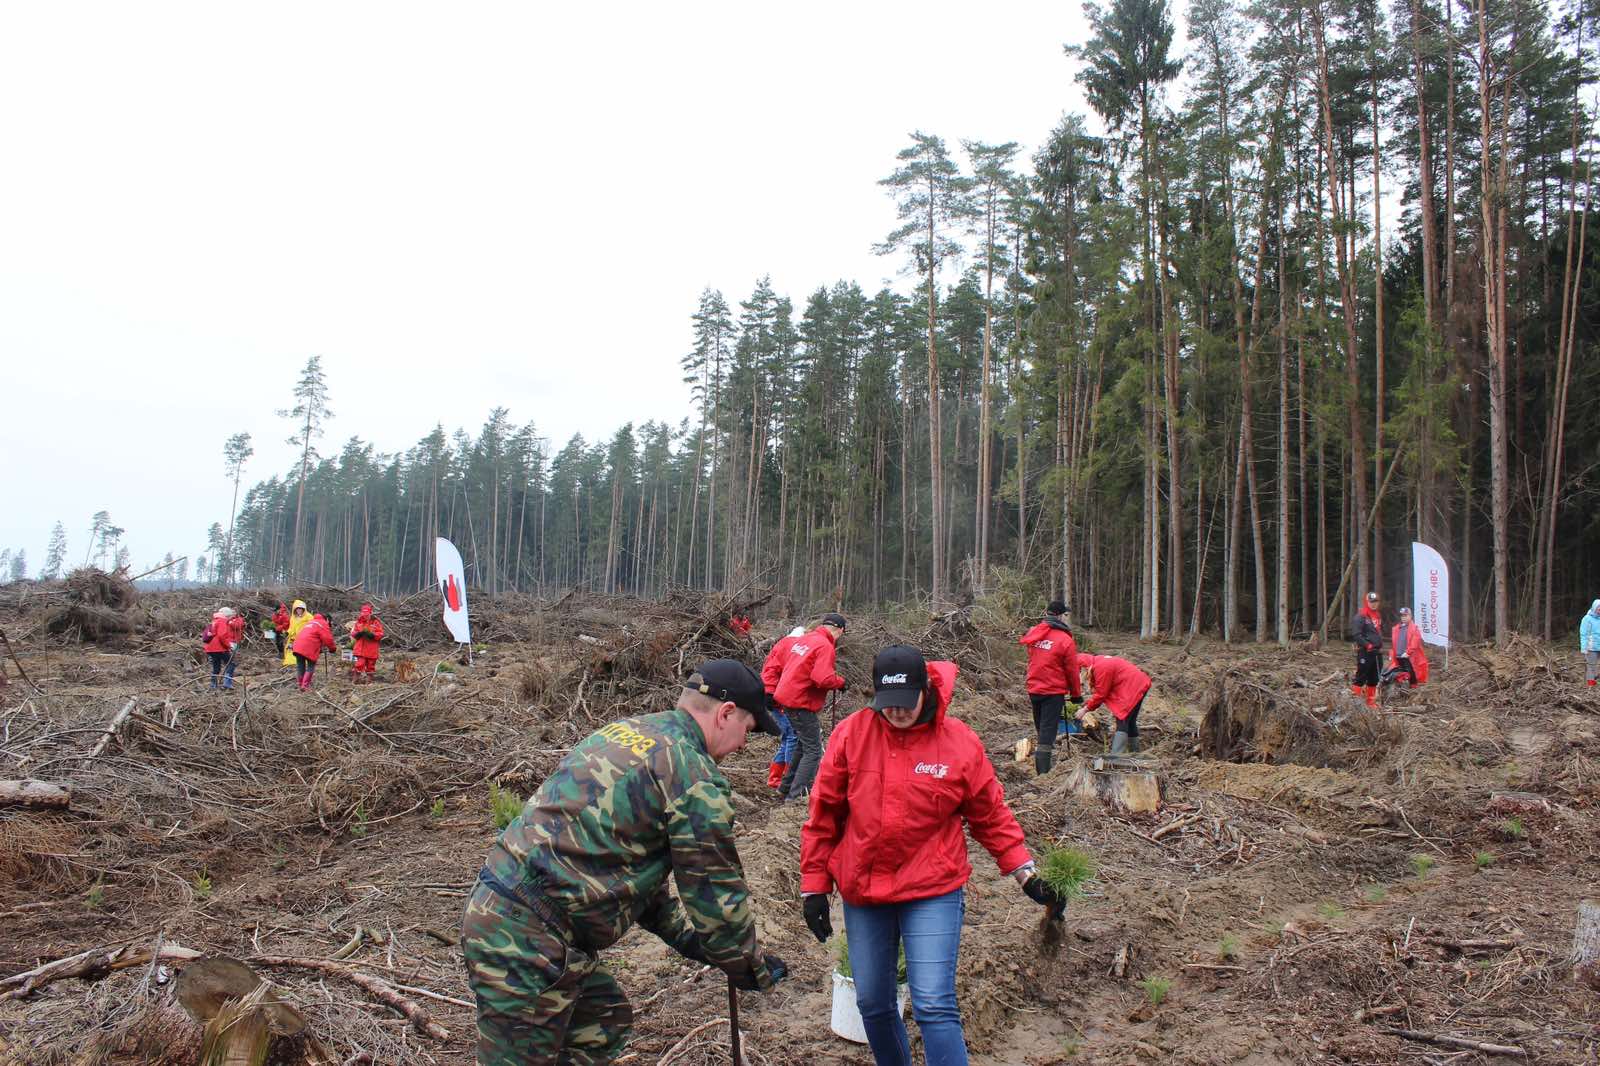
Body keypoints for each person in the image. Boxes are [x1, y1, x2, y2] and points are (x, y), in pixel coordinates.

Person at [462, 660, 789, 1065]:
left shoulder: (630, 731)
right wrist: (746, 964)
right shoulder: (692, 776)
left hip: (510, 914)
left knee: (602, 1021)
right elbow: (713, 892)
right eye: (749, 730)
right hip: (525, 939)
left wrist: (699, 946)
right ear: (725, 714)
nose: (742, 744)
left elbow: (635, 877)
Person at [799, 644, 1070, 1066]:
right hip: (864, 888)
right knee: (872, 1003)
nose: (898, 713)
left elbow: (990, 814)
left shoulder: (958, 742)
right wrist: (814, 886)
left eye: (906, 703)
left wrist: (1026, 874)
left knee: (933, 1003)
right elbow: (824, 815)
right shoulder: (852, 734)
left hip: (932, 887)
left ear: (926, 689)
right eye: (888, 705)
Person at [773, 612, 848, 802]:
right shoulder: (825, 645)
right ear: (840, 630)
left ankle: (785, 788)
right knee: (813, 750)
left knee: (802, 744)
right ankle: (796, 796)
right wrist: (840, 682)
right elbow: (822, 678)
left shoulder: (807, 639)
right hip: (800, 702)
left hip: (787, 697)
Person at [1018, 599, 1083, 775]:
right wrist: (1076, 695)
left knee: (1041, 727)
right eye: (1065, 615)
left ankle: (1042, 762)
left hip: (1034, 688)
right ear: (1061, 615)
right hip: (1052, 691)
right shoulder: (1065, 639)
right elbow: (1071, 670)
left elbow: (1033, 658)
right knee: (1048, 731)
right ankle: (1044, 774)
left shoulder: (1034, 633)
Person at [759, 625, 806, 789]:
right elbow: (777, 671)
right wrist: (771, 693)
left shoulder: (785, 643)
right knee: (792, 735)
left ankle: (775, 778)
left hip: (773, 694)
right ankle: (788, 778)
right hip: (776, 697)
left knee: (788, 737)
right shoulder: (792, 645)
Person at [1075, 654, 1152, 755]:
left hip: (1133, 686)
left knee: (1122, 719)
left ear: (1084, 667)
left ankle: (1116, 756)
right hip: (1138, 683)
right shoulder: (1098, 661)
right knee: (1130, 721)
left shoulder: (1101, 668)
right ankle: (1135, 753)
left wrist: (1085, 709)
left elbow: (1101, 694)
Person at [1350, 591, 1383, 708]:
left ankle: (1371, 702)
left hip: (1377, 652)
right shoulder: (1360, 616)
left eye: (1375, 602)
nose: (1373, 604)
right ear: (1366, 602)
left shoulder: (1377, 615)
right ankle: (1354, 702)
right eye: (1371, 602)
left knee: (1374, 677)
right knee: (1361, 676)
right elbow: (1356, 635)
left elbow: (1376, 632)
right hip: (1366, 652)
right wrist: (1367, 645)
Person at [1386, 606, 1430, 688]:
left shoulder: (1415, 629)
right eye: (1402, 616)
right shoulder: (1396, 629)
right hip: (1398, 657)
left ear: (1410, 616)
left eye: (1406, 615)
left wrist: (1408, 652)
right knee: (1397, 675)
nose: (1404, 617)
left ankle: (1413, 688)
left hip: (1408, 657)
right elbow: (1394, 644)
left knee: (1413, 676)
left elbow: (1415, 642)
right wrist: (1392, 654)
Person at [291, 612, 336, 691]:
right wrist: (332, 649)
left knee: (300, 665)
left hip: (297, 646)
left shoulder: (311, 622)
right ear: (328, 620)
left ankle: (300, 684)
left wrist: (320, 648)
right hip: (308, 647)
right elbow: (328, 639)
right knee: (311, 665)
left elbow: (312, 636)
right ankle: (305, 686)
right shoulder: (323, 623)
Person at [202, 607, 241, 691]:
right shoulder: (222, 621)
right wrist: (229, 646)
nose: (230, 617)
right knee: (231, 664)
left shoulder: (215, 620)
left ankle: (213, 685)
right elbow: (222, 636)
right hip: (219, 648)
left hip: (210, 648)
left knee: (216, 667)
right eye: (230, 616)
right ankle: (227, 684)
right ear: (227, 615)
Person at [350, 603, 385, 684]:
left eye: (367, 614)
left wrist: (372, 635)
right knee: (359, 664)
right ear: (361, 613)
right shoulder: (358, 622)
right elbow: (353, 632)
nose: (365, 615)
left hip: (371, 649)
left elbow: (380, 634)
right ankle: (355, 681)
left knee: (370, 666)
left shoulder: (375, 622)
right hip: (360, 648)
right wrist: (357, 634)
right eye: (363, 613)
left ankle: (368, 682)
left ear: (370, 613)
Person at [282, 600, 311, 667]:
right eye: (297, 609)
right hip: (295, 637)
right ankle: (291, 662)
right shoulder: (293, 618)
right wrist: (287, 633)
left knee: (302, 651)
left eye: (300, 609)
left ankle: (303, 662)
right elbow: (291, 628)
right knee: (290, 649)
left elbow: (312, 626)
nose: (299, 610)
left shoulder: (309, 617)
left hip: (305, 637)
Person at [1582, 600, 1600, 687]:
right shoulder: (1587, 619)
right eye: (1598, 608)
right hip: (1591, 648)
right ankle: (1590, 686)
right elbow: (1584, 634)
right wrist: (1584, 648)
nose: (1599, 610)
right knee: (1591, 667)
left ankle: (1596, 679)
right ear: (1594, 608)